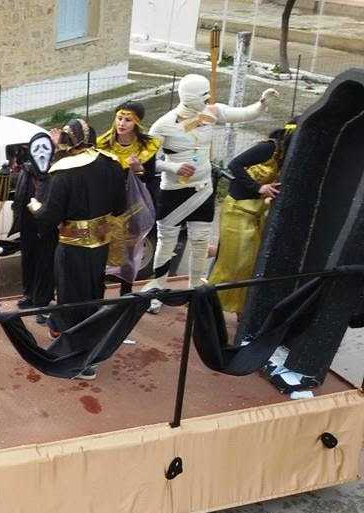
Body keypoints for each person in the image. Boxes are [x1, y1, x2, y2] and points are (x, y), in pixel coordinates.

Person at [143, 74, 279, 313]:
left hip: (203, 189)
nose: (208, 99)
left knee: (200, 241)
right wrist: (173, 167)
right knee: (166, 243)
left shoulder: (210, 113)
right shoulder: (162, 125)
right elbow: (146, 162)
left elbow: (243, 114)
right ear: (189, 96)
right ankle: (158, 289)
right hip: (174, 192)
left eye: (208, 94)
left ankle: (196, 289)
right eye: (203, 95)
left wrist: (261, 103)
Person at [31, 119, 126, 378]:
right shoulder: (112, 162)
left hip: (73, 245)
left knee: (71, 298)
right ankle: (85, 342)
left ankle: (79, 360)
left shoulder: (63, 171)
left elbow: (48, 218)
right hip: (101, 243)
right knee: (94, 293)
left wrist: (34, 205)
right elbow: (120, 207)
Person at [209, 122, 296, 314]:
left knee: (250, 264)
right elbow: (234, 164)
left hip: (255, 213)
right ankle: (209, 305)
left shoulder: (284, 156)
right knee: (234, 264)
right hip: (237, 210)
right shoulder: (268, 148)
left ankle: (241, 309)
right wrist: (258, 188)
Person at [96, 101, 160, 293]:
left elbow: (150, 177)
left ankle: (126, 291)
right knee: (103, 244)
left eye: (127, 120)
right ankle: (98, 291)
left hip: (133, 205)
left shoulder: (146, 146)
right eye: (119, 118)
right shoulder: (103, 143)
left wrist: (138, 169)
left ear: (137, 123)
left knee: (131, 247)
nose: (122, 123)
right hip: (106, 203)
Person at [9, 132, 57, 316]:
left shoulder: (56, 173)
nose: (42, 153)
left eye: (46, 148)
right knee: (28, 260)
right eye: (37, 149)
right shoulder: (26, 171)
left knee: (46, 264)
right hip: (28, 225)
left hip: (48, 227)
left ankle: (43, 303)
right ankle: (29, 295)